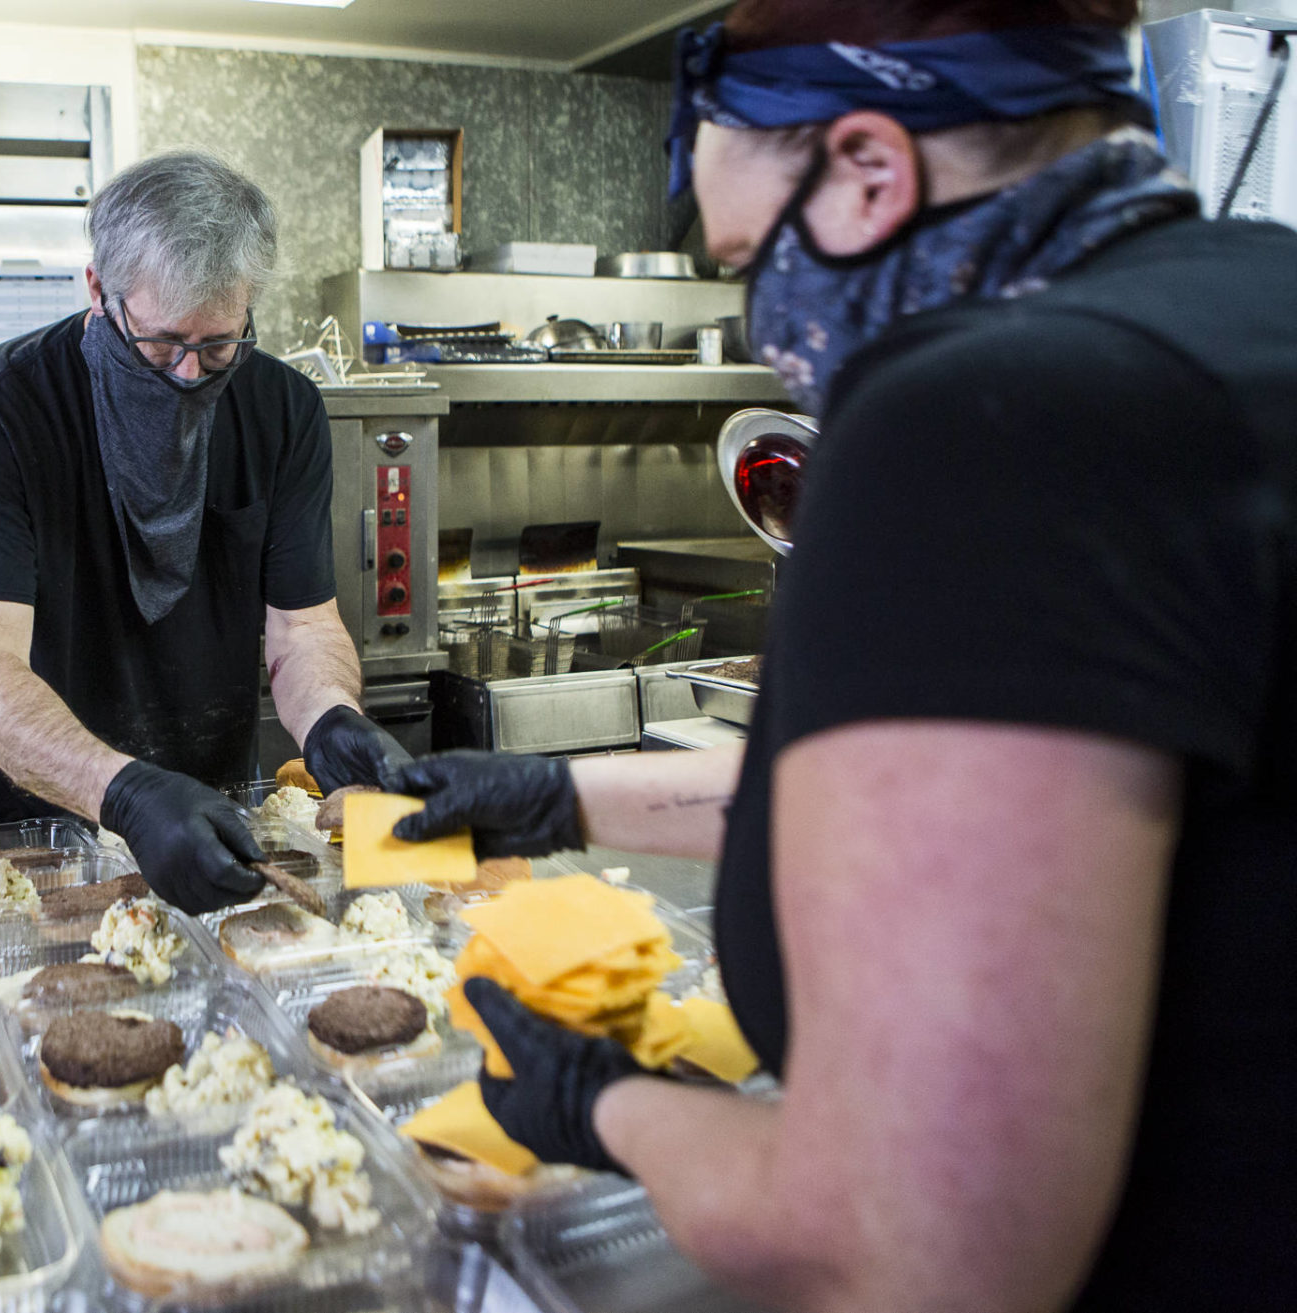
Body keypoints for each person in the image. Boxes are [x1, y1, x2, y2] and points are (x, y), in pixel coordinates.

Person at [389, 3, 1297, 1309]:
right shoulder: (1246, 315)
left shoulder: (984, 418)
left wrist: (608, 1108)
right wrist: (566, 795)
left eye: (754, 257)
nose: (762, 328)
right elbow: (1018, 834)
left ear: (873, 170)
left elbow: (907, 1253)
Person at [0, 151, 409, 915]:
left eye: (219, 344)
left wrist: (329, 716)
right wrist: (122, 792)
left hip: (219, 813)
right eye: (161, 343)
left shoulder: (283, 411)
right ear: (98, 291)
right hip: (52, 824)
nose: (191, 375)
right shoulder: (0, 415)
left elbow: (301, 625)